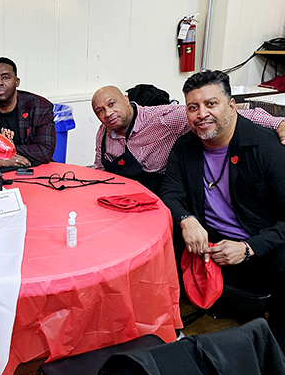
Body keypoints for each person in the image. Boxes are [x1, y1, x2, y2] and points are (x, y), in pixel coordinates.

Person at [160, 70, 285, 349]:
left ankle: (278, 357)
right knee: (154, 237)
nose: (201, 114)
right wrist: (187, 219)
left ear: (231, 106)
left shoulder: (266, 148)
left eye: (211, 104)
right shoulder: (185, 147)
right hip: (209, 242)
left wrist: (248, 248)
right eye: (193, 107)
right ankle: (165, 334)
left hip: (259, 244)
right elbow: (170, 192)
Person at [92, 85, 285, 193]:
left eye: (112, 104)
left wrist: (278, 123)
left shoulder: (162, 119)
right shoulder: (104, 133)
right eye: (100, 111)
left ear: (126, 99)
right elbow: (99, 170)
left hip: (159, 198)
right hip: (121, 198)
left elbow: (224, 116)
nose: (108, 113)